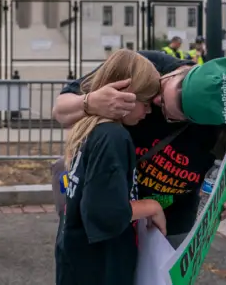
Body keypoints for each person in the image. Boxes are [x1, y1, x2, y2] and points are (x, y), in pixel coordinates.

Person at [52, 50, 226, 248]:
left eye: (164, 109)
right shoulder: (146, 66)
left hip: (171, 224)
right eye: (161, 89)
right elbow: (60, 111)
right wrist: (89, 102)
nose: (155, 100)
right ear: (179, 73)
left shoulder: (222, 126)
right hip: (117, 208)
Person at [55, 49, 167, 285]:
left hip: (77, 260)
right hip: (102, 267)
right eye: (146, 102)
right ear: (124, 95)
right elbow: (106, 214)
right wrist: (152, 206)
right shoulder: (113, 137)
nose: (149, 111)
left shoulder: (88, 128)